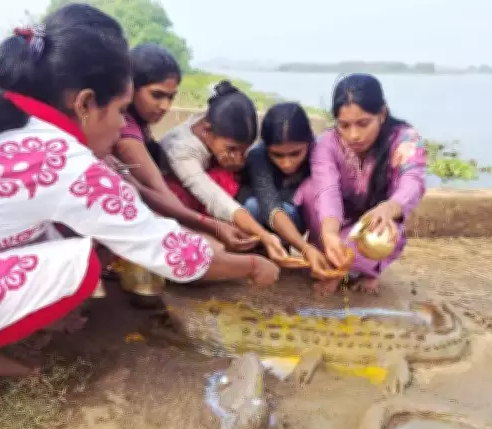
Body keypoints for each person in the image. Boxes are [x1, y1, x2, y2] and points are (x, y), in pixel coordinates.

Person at [0, 4, 278, 429]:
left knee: (54, 234)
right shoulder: (63, 159)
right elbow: (175, 256)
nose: (122, 125)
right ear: (84, 103)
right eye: (121, 110)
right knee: (77, 265)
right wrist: (253, 266)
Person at [111, 43, 257, 254]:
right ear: (131, 87)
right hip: (131, 219)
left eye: (171, 97)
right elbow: (159, 192)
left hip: (146, 210)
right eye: (157, 95)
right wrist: (211, 229)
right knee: (212, 251)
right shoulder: (126, 131)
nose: (165, 106)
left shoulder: (139, 125)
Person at [296, 73, 427, 295]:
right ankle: (332, 256)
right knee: (310, 189)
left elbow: (412, 181)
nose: (354, 135)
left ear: (382, 114)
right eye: (344, 125)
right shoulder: (327, 143)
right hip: (337, 222)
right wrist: (329, 234)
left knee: (381, 231)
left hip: (375, 223)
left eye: (363, 124)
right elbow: (327, 190)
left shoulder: (404, 140)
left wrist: (389, 207)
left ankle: (359, 270)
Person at [159, 81, 291, 265]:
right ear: (206, 131)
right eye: (232, 149)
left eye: (243, 150)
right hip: (176, 205)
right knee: (225, 180)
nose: (238, 157)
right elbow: (214, 198)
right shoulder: (181, 149)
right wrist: (263, 235)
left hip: (203, 198)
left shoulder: (215, 126)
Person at [239, 102, 335, 279]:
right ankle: (261, 247)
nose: (287, 163)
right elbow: (269, 204)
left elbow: (330, 197)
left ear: (308, 142)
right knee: (252, 206)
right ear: (266, 147)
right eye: (277, 155)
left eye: (295, 153)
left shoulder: (319, 152)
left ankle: (288, 245)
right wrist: (305, 249)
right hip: (265, 214)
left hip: (298, 216)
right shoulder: (257, 156)